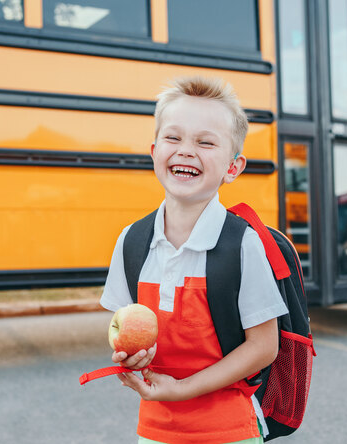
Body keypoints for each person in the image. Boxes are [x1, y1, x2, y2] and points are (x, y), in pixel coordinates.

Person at [100, 76, 288, 444]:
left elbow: (264, 346)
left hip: (230, 431)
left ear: (233, 167)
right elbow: (120, 325)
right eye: (174, 138)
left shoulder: (243, 244)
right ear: (154, 151)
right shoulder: (132, 242)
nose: (186, 150)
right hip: (155, 430)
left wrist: (183, 389)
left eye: (205, 142)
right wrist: (131, 355)